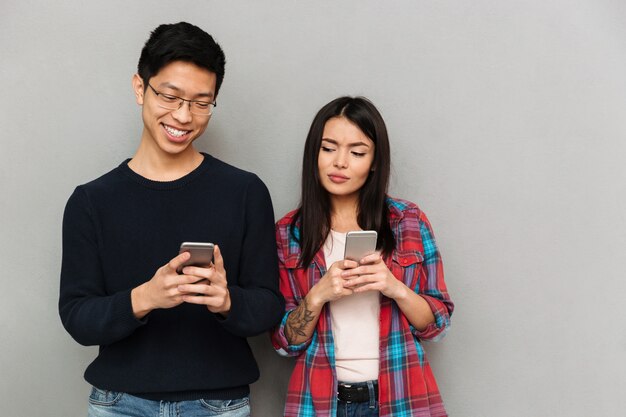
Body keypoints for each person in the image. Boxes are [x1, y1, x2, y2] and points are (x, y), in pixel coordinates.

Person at [59, 22, 284, 417]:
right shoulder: (91, 202)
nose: (183, 116)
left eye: (202, 102)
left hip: (219, 403)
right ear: (140, 88)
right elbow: (77, 317)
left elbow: (268, 305)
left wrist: (227, 300)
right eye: (170, 96)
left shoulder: (245, 192)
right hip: (118, 404)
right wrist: (146, 298)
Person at [271, 97, 454, 417]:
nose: (340, 162)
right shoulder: (289, 232)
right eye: (328, 148)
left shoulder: (408, 221)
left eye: (356, 152)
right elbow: (284, 344)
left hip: (400, 397)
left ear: (373, 162)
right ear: (314, 154)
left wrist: (393, 286)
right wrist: (318, 295)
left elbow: (437, 325)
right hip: (320, 403)